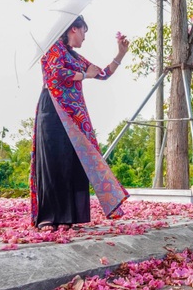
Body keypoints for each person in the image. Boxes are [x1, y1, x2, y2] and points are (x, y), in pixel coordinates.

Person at [30, 14, 129, 230]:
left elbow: (101, 74)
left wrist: (120, 55)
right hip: (54, 110)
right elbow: (55, 75)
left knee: (72, 162)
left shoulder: (73, 55)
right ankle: (49, 217)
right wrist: (84, 75)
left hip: (75, 116)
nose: (85, 37)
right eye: (84, 31)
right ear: (73, 29)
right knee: (52, 162)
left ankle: (67, 217)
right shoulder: (53, 48)